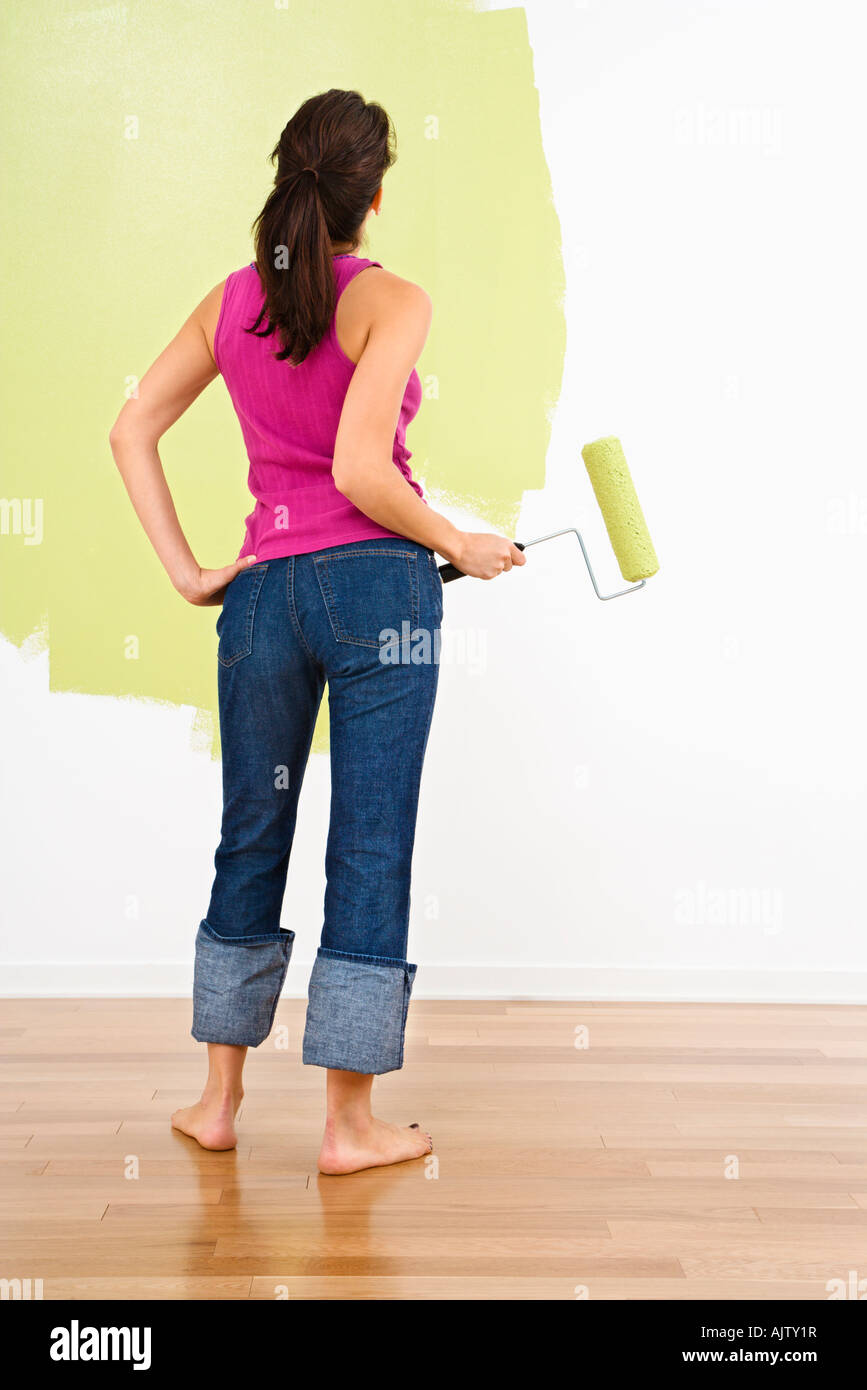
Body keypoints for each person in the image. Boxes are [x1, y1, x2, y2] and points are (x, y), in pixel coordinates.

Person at [109, 88, 525, 1175]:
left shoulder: (231, 299)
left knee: (253, 830)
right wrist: (462, 543)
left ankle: (217, 1102)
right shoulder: (393, 301)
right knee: (370, 839)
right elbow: (357, 470)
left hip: (261, 596)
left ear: (288, 175)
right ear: (374, 195)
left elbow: (131, 425)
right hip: (380, 591)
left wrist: (193, 570)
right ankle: (348, 1126)